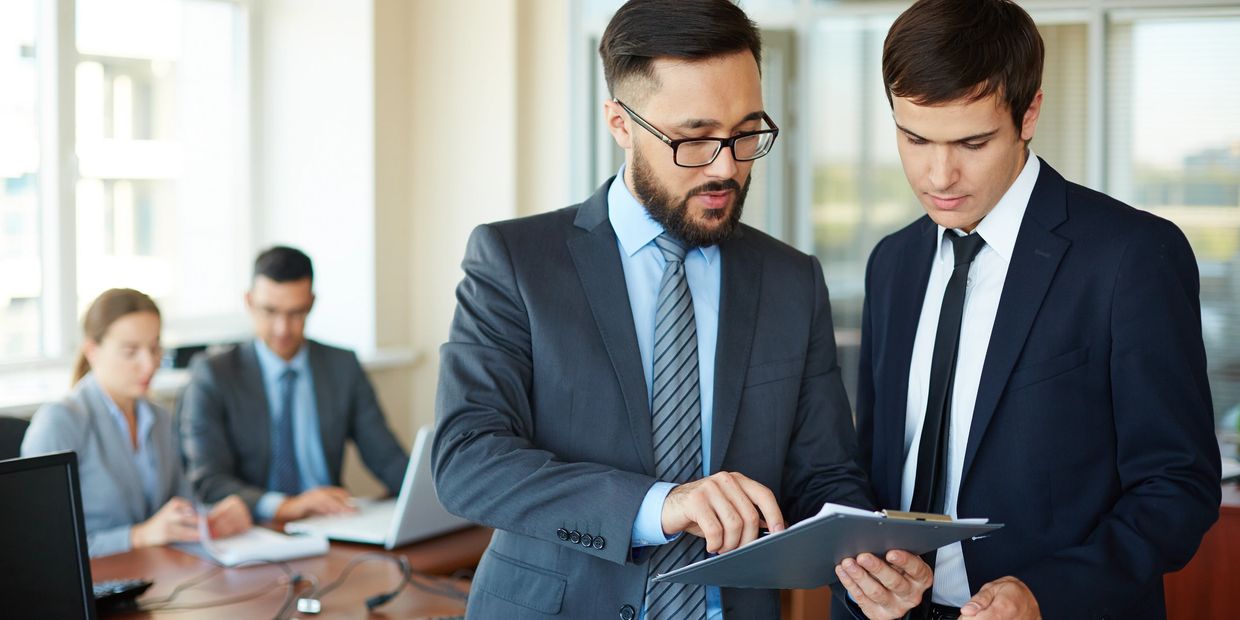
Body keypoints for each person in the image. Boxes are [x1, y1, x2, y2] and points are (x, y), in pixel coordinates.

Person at [432, 1, 929, 618]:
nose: (726, 166)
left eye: (746, 133)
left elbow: (824, 475)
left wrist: (869, 566)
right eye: (693, 138)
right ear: (620, 122)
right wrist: (658, 505)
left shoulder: (792, 280)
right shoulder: (514, 260)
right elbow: (468, 459)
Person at [843, 1, 1222, 618]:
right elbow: (876, 464)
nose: (939, 174)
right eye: (914, 138)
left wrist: (1046, 593)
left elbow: (1178, 486)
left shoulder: (1131, 256)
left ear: (1029, 114)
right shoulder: (892, 263)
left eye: (972, 141)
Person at [180, 246, 408, 523]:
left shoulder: (342, 366)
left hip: (330, 524)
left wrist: (429, 500)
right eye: (270, 311)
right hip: (257, 528)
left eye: (296, 313)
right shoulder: (214, 374)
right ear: (249, 301)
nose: (282, 329)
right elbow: (208, 481)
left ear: (311, 303)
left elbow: (387, 458)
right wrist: (288, 506)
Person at [22, 288, 251, 557]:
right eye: (131, 351)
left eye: (154, 348)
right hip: (97, 585)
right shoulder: (61, 422)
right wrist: (139, 536)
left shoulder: (159, 418)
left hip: (156, 575)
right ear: (92, 351)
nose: (149, 364)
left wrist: (212, 518)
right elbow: (43, 545)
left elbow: (181, 504)